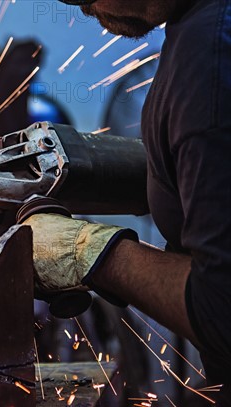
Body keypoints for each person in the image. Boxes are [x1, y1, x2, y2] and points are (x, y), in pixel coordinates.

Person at [23, 0, 231, 403]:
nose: (77, 4)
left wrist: (86, 251)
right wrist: (72, 171)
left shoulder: (211, 52)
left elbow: (221, 310)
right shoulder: (196, 28)